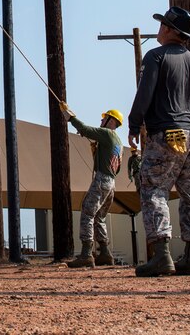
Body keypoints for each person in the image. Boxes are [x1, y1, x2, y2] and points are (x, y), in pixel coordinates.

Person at [128, 7, 190, 278]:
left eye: (164, 24)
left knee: (154, 189)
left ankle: (162, 256)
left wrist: (133, 122)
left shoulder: (156, 57)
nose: (160, 28)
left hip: (167, 132)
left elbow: (145, 93)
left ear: (172, 31)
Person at [58, 105, 123, 268]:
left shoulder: (107, 133)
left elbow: (84, 129)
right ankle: (105, 253)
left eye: (104, 118)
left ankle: (87, 253)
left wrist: (70, 116)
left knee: (87, 212)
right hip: (111, 182)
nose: (101, 120)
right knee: (99, 217)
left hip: (102, 179)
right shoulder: (118, 141)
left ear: (111, 120)